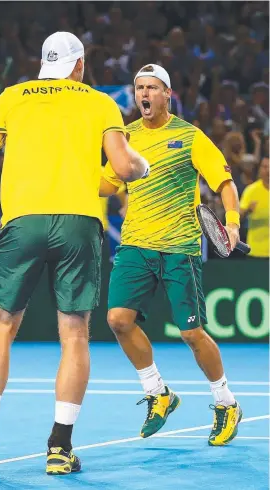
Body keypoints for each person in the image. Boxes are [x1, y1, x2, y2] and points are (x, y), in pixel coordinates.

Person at [0, 31, 149, 475]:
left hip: (23, 222)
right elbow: (122, 167)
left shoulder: (13, 97)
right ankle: (60, 449)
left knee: (1, 325)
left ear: (44, 63)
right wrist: (142, 165)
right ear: (79, 66)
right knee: (75, 334)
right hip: (79, 224)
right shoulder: (99, 102)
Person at [100, 63, 243, 447]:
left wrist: (232, 222)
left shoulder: (190, 136)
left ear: (167, 94)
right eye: (139, 88)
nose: (144, 94)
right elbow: (106, 185)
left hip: (180, 247)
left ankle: (226, 402)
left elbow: (224, 182)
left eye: (151, 88)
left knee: (192, 333)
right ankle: (158, 391)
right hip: (135, 245)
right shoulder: (124, 138)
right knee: (118, 319)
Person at [240, 157, 269, 258]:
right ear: (260, 169)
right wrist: (248, 210)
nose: (268, 170)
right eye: (265, 167)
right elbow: (238, 216)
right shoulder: (251, 191)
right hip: (256, 251)